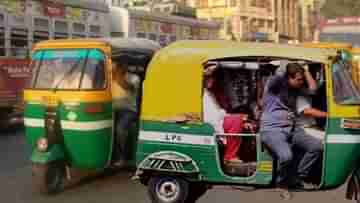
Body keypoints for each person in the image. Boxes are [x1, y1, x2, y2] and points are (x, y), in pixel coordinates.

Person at [260, 63, 323, 194]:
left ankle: (297, 177)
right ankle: (281, 183)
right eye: (298, 79)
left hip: (291, 129)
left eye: (301, 80)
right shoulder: (274, 86)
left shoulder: (296, 89)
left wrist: (305, 70)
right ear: (288, 77)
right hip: (273, 130)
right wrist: (291, 60)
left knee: (317, 147)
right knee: (286, 156)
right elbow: (280, 72)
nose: (301, 82)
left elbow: (313, 89)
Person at [203, 69, 253, 164]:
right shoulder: (204, 94)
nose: (212, 80)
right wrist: (236, 117)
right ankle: (230, 156)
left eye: (212, 78)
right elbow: (211, 116)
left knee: (243, 120)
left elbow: (219, 111)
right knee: (237, 120)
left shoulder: (209, 93)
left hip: (218, 119)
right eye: (209, 78)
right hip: (212, 123)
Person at [112, 61, 139, 166]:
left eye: (119, 65)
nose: (116, 67)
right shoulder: (110, 77)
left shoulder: (134, 78)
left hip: (128, 110)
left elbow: (128, 87)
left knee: (120, 129)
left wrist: (117, 76)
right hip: (111, 109)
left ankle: (122, 157)